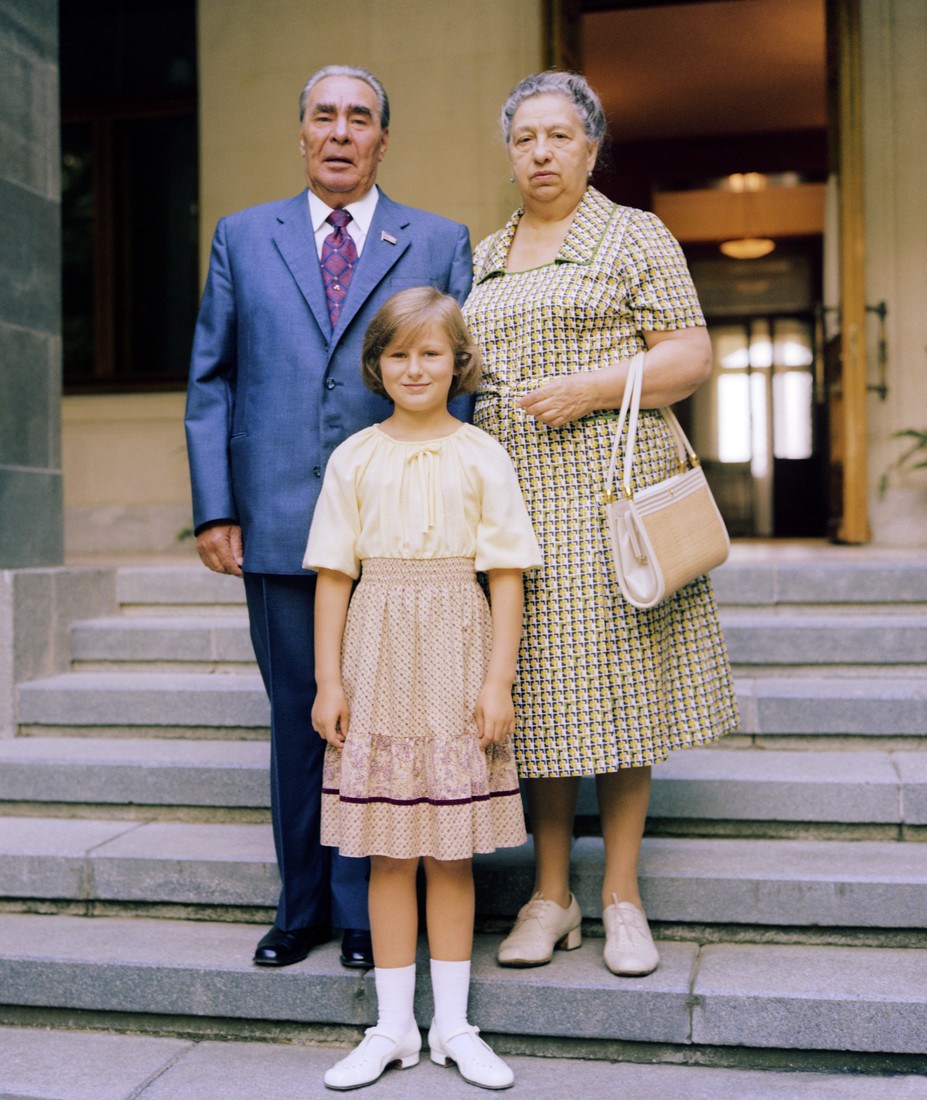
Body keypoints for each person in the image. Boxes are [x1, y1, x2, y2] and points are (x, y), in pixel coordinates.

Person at [184, 66, 472, 970]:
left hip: (399, 534)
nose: (340, 133)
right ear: (301, 133)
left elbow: (464, 386)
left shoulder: (437, 238)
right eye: (323, 117)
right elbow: (212, 379)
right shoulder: (242, 236)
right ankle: (298, 905)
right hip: (273, 520)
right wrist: (215, 507)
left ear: (383, 139)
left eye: (360, 118)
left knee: (376, 717)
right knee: (297, 715)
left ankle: (363, 916)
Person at [463, 71, 738, 978]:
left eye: (558, 137)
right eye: (523, 139)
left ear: (590, 147)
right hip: (514, 506)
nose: (539, 153)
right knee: (538, 704)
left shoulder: (632, 235)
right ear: (509, 153)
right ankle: (552, 895)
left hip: (610, 500)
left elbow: (690, 352)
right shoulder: (485, 253)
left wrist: (592, 387)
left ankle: (620, 895)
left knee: (621, 700)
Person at [305, 287, 541, 1091]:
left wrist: (497, 680)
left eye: (431, 353)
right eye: (399, 354)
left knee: (448, 854)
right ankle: (392, 1028)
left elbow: (505, 573)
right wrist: (328, 680)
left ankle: (453, 1025)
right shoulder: (354, 457)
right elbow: (334, 576)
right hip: (376, 655)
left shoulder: (482, 454)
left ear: (456, 362)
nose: (415, 367)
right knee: (388, 855)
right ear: (377, 364)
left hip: (456, 651)